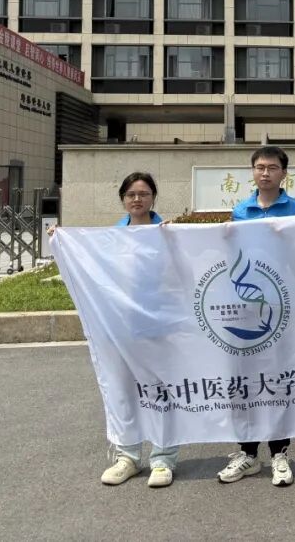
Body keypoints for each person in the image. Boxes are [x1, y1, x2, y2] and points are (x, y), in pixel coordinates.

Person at [216, 146, 295, 488]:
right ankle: (248, 453)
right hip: (245, 308)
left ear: (284, 173)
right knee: (246, 381)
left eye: (272, 167)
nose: (265, 173)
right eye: (259, 167)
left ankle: (280, 453)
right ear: (252, 172)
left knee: (278, 379)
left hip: (282, 306)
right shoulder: (241, 210)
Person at [98, 172, 181, 489]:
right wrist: (60, 238)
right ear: (123, 199)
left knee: (161, 392)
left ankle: (163, 458)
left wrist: (175, 240)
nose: (137, 199)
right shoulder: (111, 238)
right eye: (131, 194)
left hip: (159, 325)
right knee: (124, 393)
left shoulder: (167, 233)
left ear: (153, 198)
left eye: (144, 194)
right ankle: (128, 457)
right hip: (120, 327)